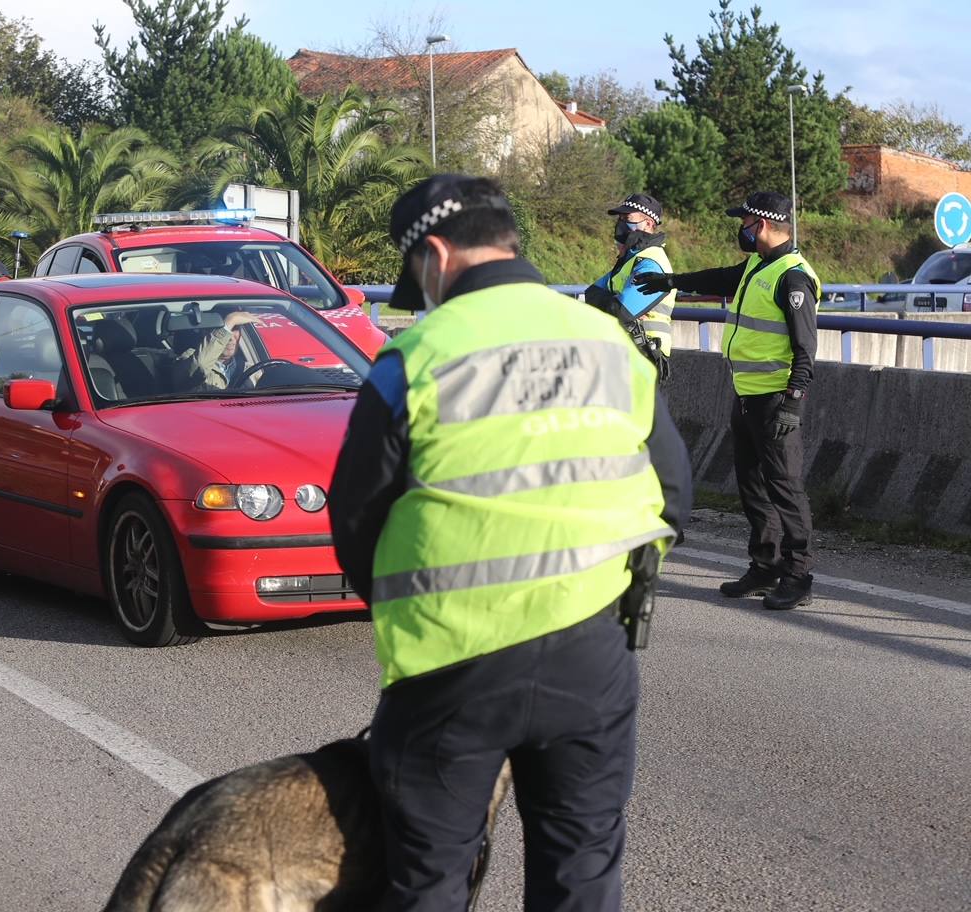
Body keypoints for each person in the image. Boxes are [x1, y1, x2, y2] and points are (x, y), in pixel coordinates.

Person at [329, 174, 691, 912]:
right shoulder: (605, 341)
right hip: (592, 653)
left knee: (428, 879)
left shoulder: (416, 358)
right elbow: (674, 497)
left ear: (434, 255)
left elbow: (355, 519)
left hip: (449, 664)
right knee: (581, 873)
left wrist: (409, 601)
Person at [634, 191, 819, 610]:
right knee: (752, 484)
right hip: (748, 395)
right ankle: (765, 564)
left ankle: (798, 574)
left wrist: (794, 401)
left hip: (776, 399)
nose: (741, 229)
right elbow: (719, 278)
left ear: (764, 225)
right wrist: (671, 282)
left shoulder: (793, 276)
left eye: (746, 222)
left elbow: (806, 348)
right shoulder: (759, 264)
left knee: (785, 488)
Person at [585, 193, 676, 378]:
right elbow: (590, 294)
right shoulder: (630, 260)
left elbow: (621, 311)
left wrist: (612, 302)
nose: (620, 225)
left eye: (627, 219)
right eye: (620, 219)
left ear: (649, 223)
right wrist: (612, 303)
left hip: (645, 359)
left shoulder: (653, 262)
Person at [171, 311, 263, 389]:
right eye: (221, 329)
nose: (230, 338)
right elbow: (200, 366)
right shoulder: (188, 359)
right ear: (205, 333)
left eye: (235, 328)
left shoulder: (251, 370)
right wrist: (230, 321)